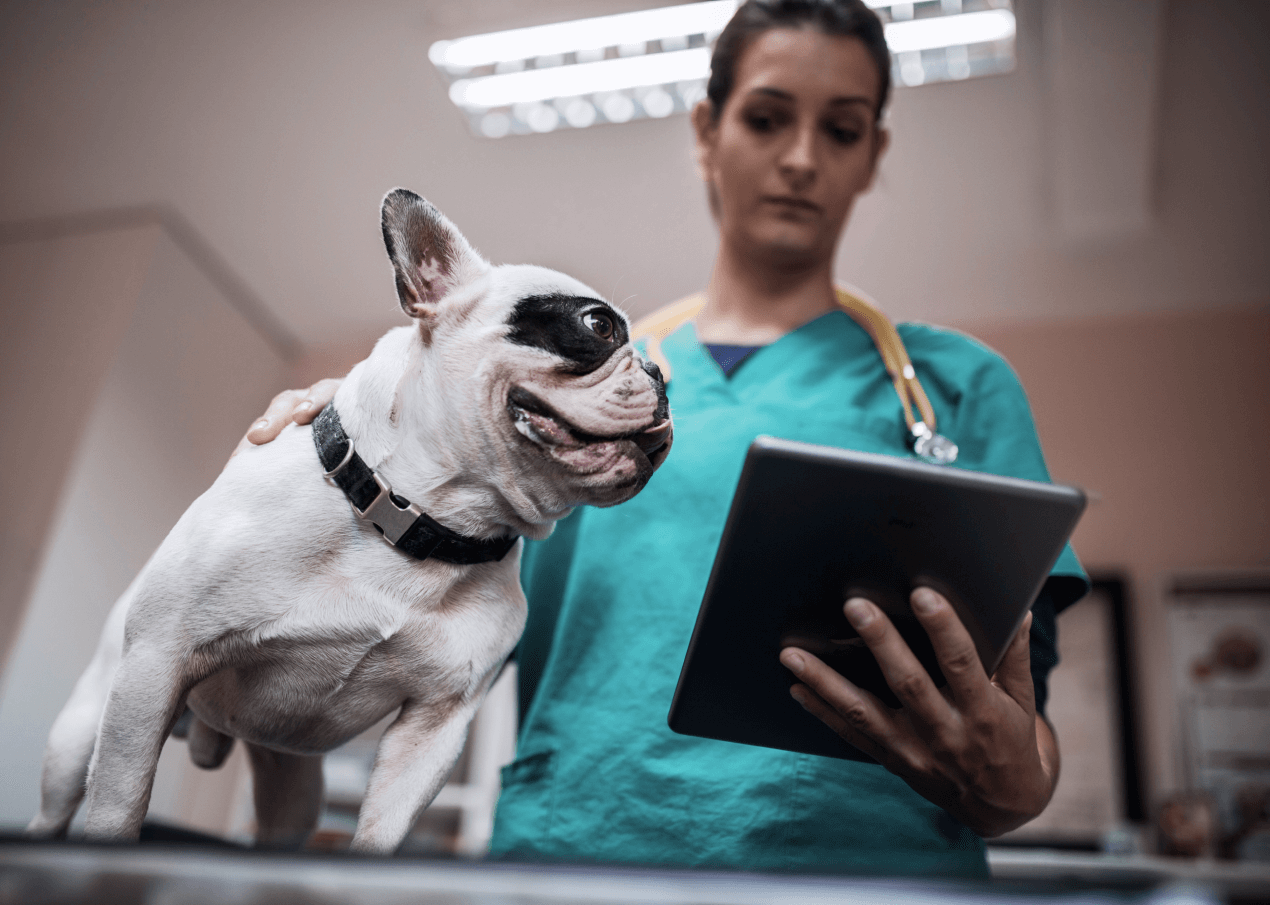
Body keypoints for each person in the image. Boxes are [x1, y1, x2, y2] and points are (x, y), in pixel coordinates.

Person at [246, 0, 1086, 878]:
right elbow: (408, 609)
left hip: (859, 868)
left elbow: (1028, 722)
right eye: (766, 118)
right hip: (577, 858)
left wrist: (1021, 782)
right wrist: (353, 460)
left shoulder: (956, 385)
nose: (801, 157)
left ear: (873, 153)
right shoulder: (549, 391)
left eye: (841, 130)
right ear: (706, 131)